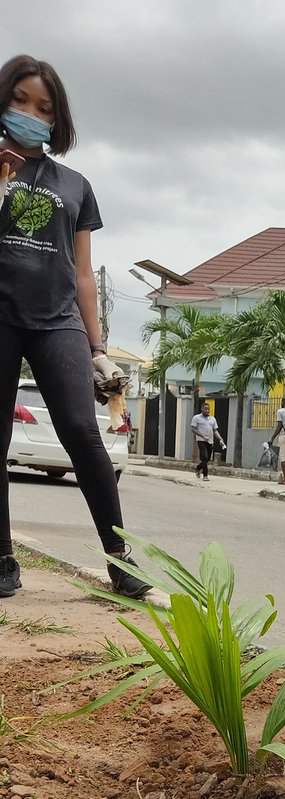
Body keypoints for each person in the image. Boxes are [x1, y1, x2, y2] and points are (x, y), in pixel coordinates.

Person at [0, 54, 149, 600]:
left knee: (83, 433)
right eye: (19, 101)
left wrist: (98, 348)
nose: (29, 114)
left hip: (57, 319)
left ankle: (119, 556)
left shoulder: (75, 184)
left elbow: (83, 271)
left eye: (42, 107)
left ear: (57, 119)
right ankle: (2, 558)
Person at [190, 401, 224, 481]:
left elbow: (215, 430)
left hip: (210, 441)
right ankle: (205, 475)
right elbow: (193, 429)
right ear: (201, 409)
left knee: (207, 458)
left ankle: (198, 467)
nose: (207, 411)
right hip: (201, 440)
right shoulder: (196, 418)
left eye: (208, 409)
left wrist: (220, 438)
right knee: (204, 457)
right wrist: (202, 436)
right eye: (205, 409)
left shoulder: (212, 419)